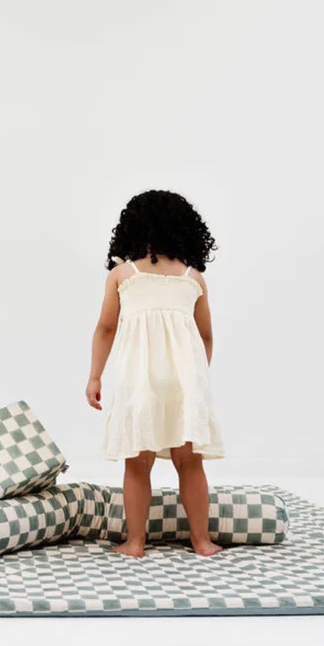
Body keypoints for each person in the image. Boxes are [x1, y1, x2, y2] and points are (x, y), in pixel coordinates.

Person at [86, 189, 224, 558]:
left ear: (132, 229)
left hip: (139, 379)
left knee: (137, 462)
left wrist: (95, 376)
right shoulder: (194, 278)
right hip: (184, 381)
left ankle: (135, 543)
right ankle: (202, 542)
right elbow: (206, 335)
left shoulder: (123, 275)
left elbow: (105, 328)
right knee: (189, 462)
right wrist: (195, 377)